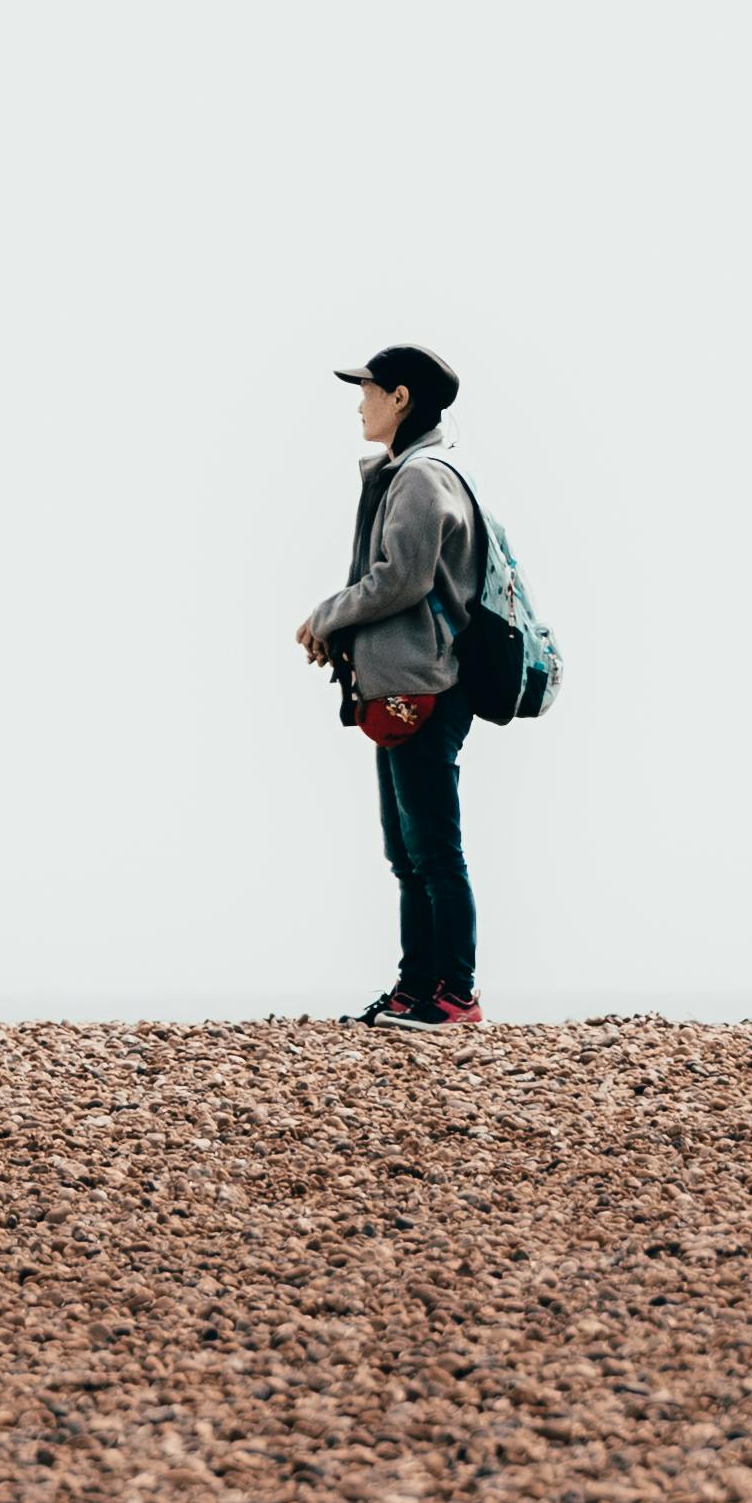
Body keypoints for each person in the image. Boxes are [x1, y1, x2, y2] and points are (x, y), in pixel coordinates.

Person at [297, 348, 482, 1025]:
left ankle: (454, 994)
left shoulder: (423, 479)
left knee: (432, 848)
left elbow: (400, 579)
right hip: (403, 685)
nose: (360, 403)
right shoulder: (408, 474)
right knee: (407, 851)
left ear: (400, 398)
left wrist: (327, 616)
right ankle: (416, 989)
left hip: (428, 685)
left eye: (368, 390)